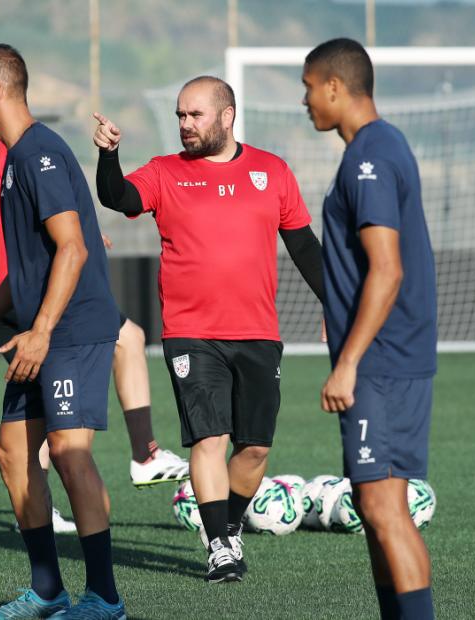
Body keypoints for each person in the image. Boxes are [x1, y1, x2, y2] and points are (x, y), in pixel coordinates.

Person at [91, 76, 325, 583]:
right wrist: (109, 155)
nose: (184, 125)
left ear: (226, 115)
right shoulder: (164, 172)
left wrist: (337, 304)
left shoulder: (273, 171)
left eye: (194, 115)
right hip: (191, 332)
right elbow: (118, 197)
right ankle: (220, 545)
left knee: (256, 447)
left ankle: (229, 525)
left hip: (259, 332)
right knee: (209, 437)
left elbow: (305, 246)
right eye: (180, 116)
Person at [0, 44, 125, 620]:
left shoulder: (40, 154)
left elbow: (72, 248)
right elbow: (28, 269)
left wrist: (41, 331)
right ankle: (48, 591)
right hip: (39, 329)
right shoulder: (12, 160)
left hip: (70, 329)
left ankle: (105, 599)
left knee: (69, 452)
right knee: (12, 453)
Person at [0, 129, 189, 511]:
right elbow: (54, 217)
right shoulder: (24, 148)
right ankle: (145, 455)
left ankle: (38, 509)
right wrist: (79, 240)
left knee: (36, 402)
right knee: (126, 339)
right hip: (32, 286)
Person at [302, 38, 438, 620]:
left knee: (383, 510)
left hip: (380, 363)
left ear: (335, 86)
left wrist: (349, 362)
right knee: (376, 504)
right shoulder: (380, 146)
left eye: (308, 87)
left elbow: (387, 268)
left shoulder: (370, 156)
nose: (305, 100)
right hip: (390, 359)